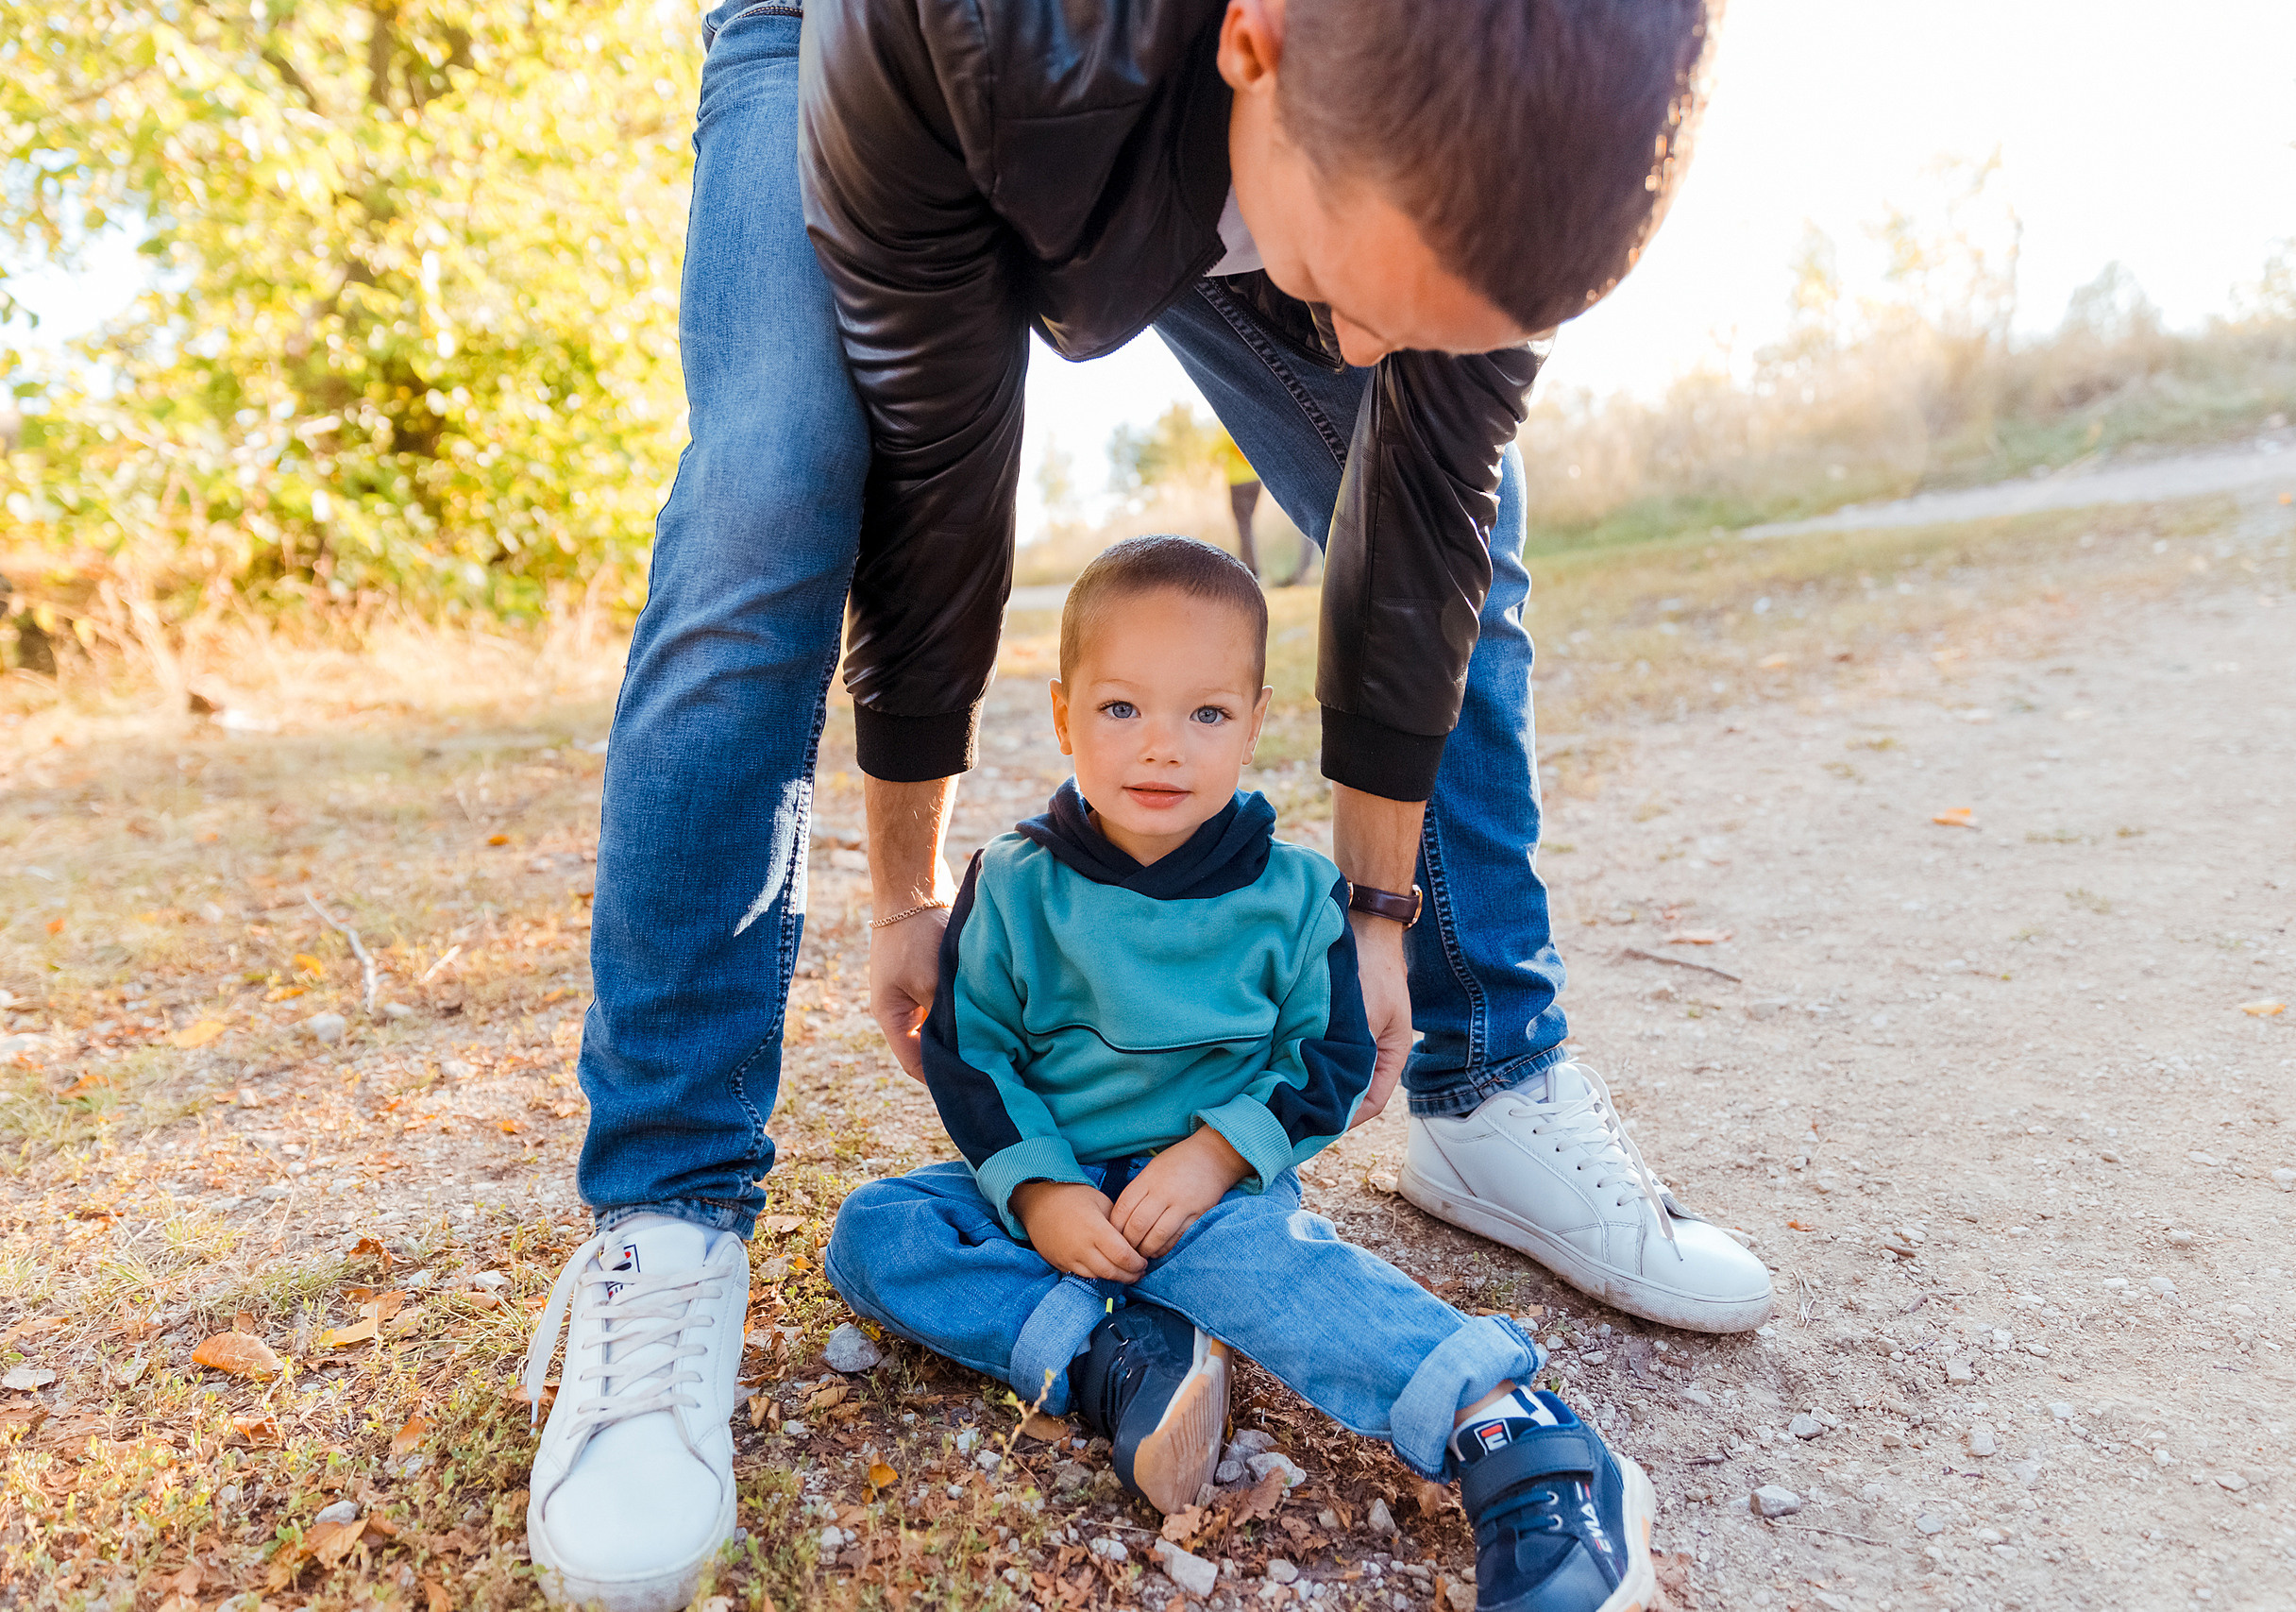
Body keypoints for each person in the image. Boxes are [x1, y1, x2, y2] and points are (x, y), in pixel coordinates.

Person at [522, 0, 1763, 1606]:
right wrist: (915, 891)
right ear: (1257, 48)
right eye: (1371, 298)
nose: (1369, 352)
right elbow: (941, 469)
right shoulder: (965, 36)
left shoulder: (1501, 98)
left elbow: (1420, 520)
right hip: (899, 50)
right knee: (772, 486)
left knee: (1452, 495)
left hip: (1300, 105)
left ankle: (1485, 1077)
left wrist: (1376, 922)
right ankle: (668, 1217)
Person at [824, 537, 1660, 1609]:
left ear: (1257, 723)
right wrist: (1038, 1189)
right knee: (880, 1232)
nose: (1161, 748)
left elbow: (1327, 1059)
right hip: (1053, 1183)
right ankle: (1116, 1360)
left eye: (1205, 715)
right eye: (1122, 709)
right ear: (1064, 713)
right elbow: (972, 1056)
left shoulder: (1295, 898)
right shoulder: (1015, 884)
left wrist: (1215, 1157)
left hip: (1212, 1197)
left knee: (1275, 1271)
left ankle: (1511, 1433)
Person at [1222, 433, 1264, 576]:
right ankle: (1251, 567)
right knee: (1248, 524)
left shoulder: (1227, 428)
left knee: (1244, 526)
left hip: (1238, 483)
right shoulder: (1251, 429)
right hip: (1256, 479)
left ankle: (1250, 569)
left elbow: (1212, 451)